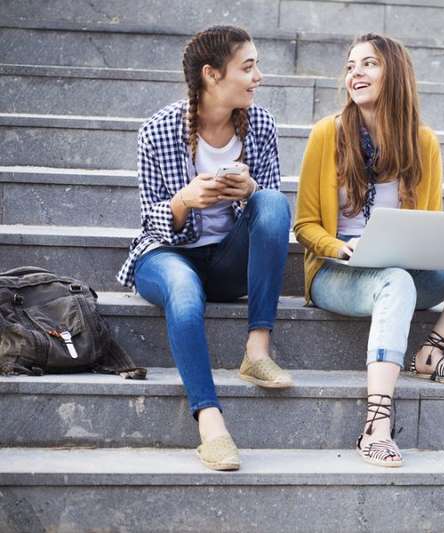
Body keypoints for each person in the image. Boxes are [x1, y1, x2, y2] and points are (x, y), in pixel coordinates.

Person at [294, 33, 444, 467]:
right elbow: (304, 226)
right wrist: (341, 247)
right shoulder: (327, 135)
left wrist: (419, 249)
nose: (355, 73)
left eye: (368, 64)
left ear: (393, 74)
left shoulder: (423, 143)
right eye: (350, 66)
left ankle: (432, 352)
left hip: (403, 273)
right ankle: (376, 425)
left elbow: (427, 227)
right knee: (394, 280)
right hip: (337, 273)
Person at [116, 26, 293, 471]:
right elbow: (149, 221)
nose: (259, 77)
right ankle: (210, 423)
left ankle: (257, 351)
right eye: (248, 67)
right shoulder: (158, 130)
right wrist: (184, 201)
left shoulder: (261, 125)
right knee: (183, 290)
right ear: (212, 75)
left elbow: (270, 216)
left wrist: (250, 189)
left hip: (230, 259)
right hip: (168, 254)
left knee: (271, 200)